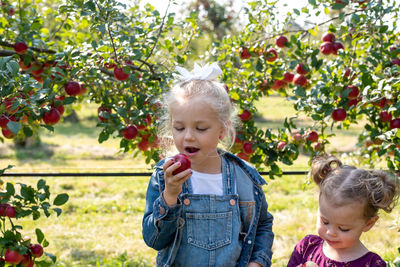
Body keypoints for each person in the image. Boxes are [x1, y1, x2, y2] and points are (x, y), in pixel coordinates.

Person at [142, 62, 274, 267]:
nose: (188, 137)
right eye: (179, 128)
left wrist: (257, 262)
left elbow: (262, 225)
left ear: (222, 130)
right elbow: (154, 240)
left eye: (201, 128)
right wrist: (169, 196)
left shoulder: (244, 176)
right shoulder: (164, 176)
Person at [287, 155, 400, 267]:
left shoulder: (372, 264)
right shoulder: (307, 247)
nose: (330, 232)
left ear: (368, 223)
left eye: (343, 229)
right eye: (325, 222)